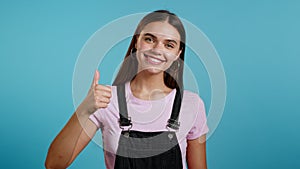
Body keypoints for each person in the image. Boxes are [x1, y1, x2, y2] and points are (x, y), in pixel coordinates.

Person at [45, 10, 209, 169]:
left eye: (169, 45)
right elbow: (54, 164)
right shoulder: (106, 100)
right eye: (150, 39)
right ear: (137, 42)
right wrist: (84, 110)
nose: (158, 49)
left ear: (177, 54)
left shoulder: (192, 104)